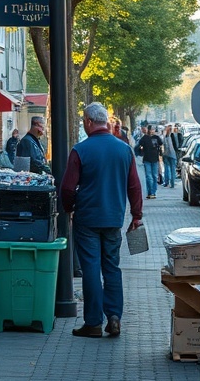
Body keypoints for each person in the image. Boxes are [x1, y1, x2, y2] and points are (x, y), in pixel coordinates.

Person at [60, 102, 144, 339]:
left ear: (88, 122)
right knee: (112, 268)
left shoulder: (80, 150)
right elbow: (135, 186)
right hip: (114, 218)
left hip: (87, 217)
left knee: (90, 269)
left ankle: (93, 323)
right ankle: (115, 316)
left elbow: (67, 188)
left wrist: (70, 208)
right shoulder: (124, 150)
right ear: (105, 122)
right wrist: (136, 215)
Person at [135, 124, 164, 199]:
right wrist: (140, 153)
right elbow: (138, 146)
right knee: (148, 176)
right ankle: (150, 192)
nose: (152, 131)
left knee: (154, 176)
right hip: (147, 159)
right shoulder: (144, 138)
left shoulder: (156, 138)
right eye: (151, 129)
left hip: (155, 159)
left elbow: (161, 143)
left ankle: (153, 192)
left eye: (154, 129)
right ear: (148, 130)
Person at [162, 123, 182, 189]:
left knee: (167, 169)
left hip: (166, 154)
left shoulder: (165, 136)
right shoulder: (173, 136)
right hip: (172, 154)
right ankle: (172, 183)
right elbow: (175, 146)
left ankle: (166, 182)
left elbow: (164, 145)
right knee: (172, 169)